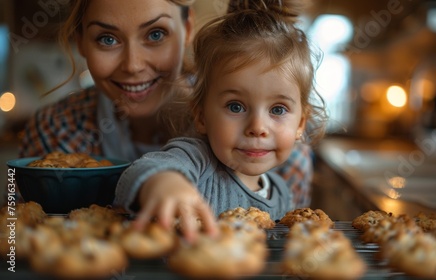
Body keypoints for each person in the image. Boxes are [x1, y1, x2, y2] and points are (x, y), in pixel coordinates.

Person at [16, 0, 315, 209]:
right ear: (80, 41)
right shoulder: (53, 133)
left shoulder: (283, 158)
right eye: (107, 39)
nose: (133, 65)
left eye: (155, 34)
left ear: (187, 28)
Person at [114, 0, 328, 240]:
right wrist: (166, 184)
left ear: (300, 124)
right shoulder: (196, 160)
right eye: (235, 106)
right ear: (201, 116)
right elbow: (144, 170)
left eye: (277, 110)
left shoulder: (283, 194)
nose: (257, 128)